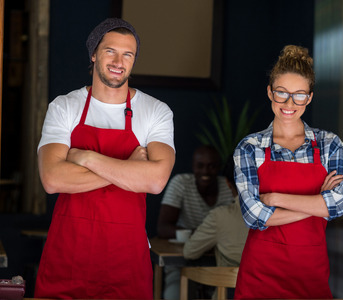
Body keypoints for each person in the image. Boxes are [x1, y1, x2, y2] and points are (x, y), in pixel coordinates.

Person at [35, 18, 175, 300]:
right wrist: (131, 170)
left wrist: (84, 157)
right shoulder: (64, 107)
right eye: (110, 51)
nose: (118, 61)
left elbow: (156, 180)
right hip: (68, 257)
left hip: (126, 263)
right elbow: (51, 179)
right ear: (94, 54)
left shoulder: (155, 112)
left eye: (128, 54)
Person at [233, 45, 343, 299]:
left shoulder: (330, 145)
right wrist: (317, 202)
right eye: (281, 93)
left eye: (299, 95)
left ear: (309, 97)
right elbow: (254, 216)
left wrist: (276, 199)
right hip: (260, 276)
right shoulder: (250, 148)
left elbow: (337, 206)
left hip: (311, 275)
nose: (289, 103)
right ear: (269, 93)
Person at [157, 145, 234, 300]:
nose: (205, 171)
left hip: (219, 263)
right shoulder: (181, 183)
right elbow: (162, 227)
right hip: (182, 261)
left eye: (212, 166)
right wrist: (204, 236)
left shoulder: (228, 186)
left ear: (219, 168)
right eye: (200, 166)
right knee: (174, 295)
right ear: (192, 166)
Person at [183, 156, 248, 267]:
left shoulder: (219, 217)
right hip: (270, 283)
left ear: (227, 183)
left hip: (228, 283)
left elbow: (189, 252)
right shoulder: (278, 215)